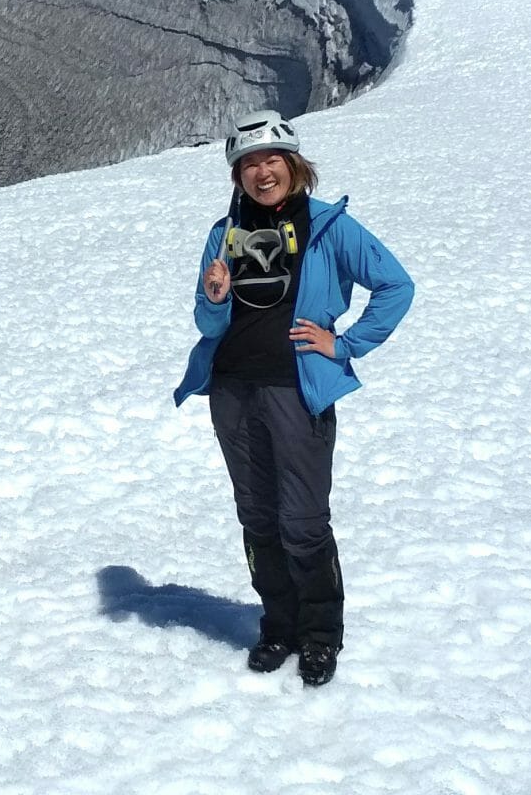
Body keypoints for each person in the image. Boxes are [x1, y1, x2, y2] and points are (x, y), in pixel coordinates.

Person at [174, 110, 414, 687]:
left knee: (302, 520)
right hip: (231, 389)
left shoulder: (329, 227)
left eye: (271, 160)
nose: (261, 173)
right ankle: (278, 625)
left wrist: (346, 344)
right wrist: (213, 298)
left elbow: (396, 285)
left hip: (296, 390)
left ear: (294, 164)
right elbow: (209, 324)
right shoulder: (222, 231)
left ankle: (320, 635)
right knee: (257, 516)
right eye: (249, 163)